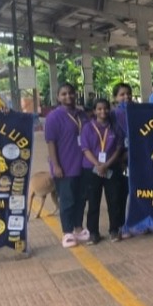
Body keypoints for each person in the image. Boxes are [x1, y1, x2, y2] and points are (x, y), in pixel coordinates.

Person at [45, 83, 89, 248]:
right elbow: (50, 142)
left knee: (81, 199)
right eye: (63, 94)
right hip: (65, 165)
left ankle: (78, 228)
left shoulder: (82, 115)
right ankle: (67, 232)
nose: (68, 96)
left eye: (71, 93)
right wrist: (56, 165)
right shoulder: (53, 117)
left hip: (82, 165)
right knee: (67, 200)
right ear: (58, 97)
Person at [80, 98, 123, 245]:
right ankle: (93, 233)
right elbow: (85, 149)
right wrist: (98, 164)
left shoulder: (114, 127)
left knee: (114, 200)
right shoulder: (87, 128)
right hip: (92, 168)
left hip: (111, 167)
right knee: (93, 201)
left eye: (105, 108)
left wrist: (107, 165)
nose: (102, 111)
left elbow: (118, 149)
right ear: (94, 111)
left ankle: (114, 230)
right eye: (99, 109)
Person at [109, 83, 133, 241]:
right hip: (119, 159)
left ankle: (136, 222)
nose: (126, 97)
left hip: (136, 157)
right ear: (115, 98)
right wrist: (120, 156)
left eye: (128, 94)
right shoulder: (111, 115)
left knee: (136, 192)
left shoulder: (137, 111)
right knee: (120, 194)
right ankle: (119, 226)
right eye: (122, 94)